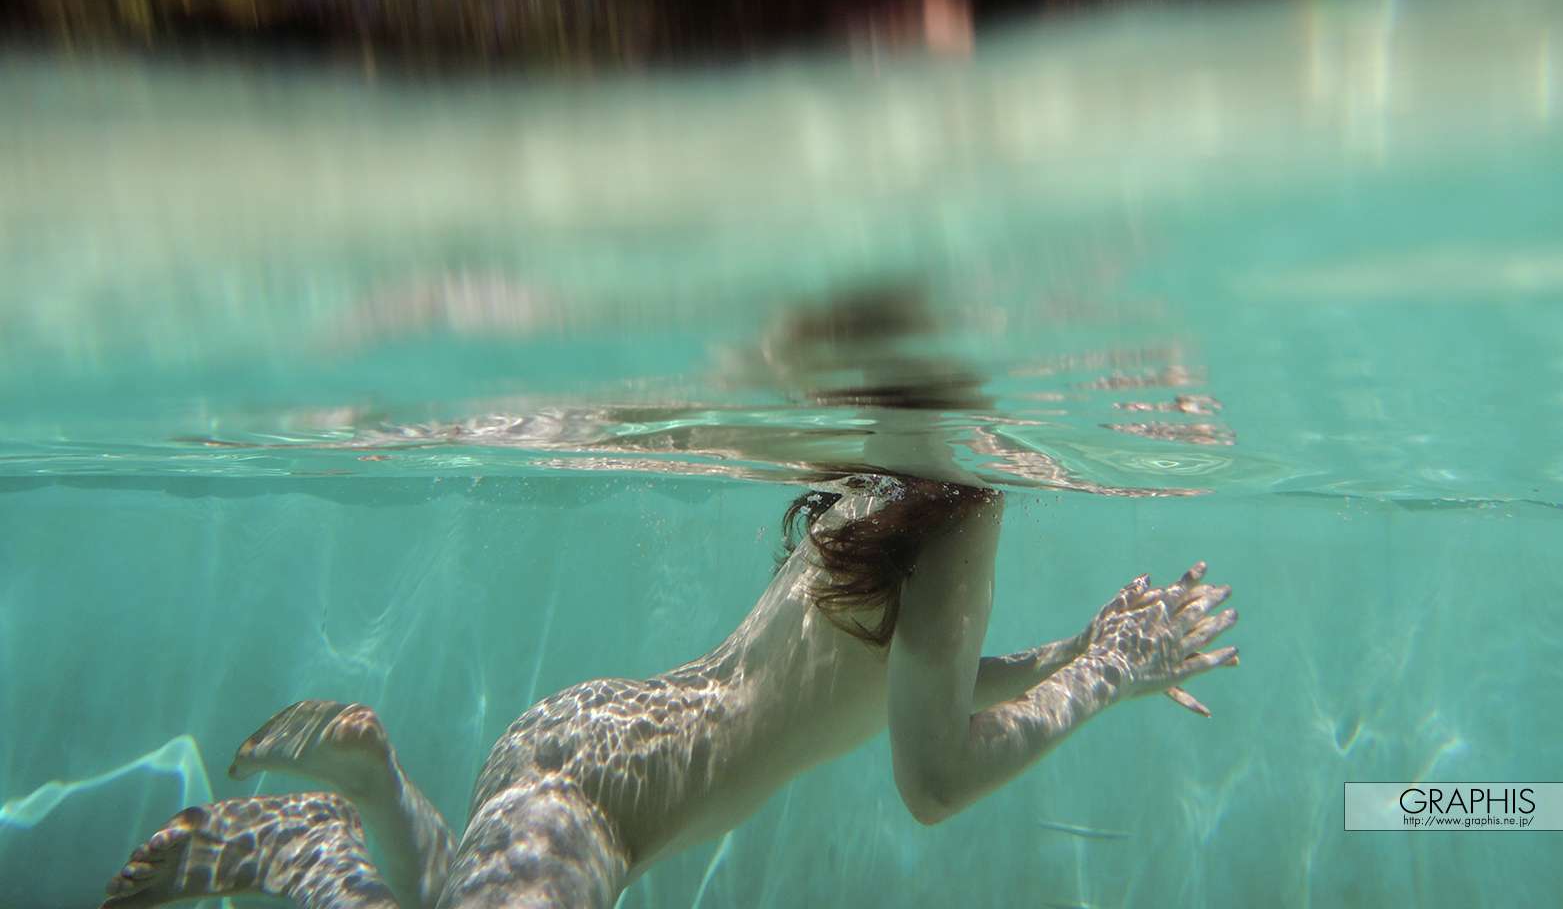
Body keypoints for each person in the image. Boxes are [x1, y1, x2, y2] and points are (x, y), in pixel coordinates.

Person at [102, 293, 1239, 909]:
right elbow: (932, 781)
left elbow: (905, 690)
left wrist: (1074, 653)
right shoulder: (959, 511)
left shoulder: (887, 496)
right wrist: (1110, 675)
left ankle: (364, 815)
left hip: (596, 742)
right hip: (613, 795)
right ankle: (322, 840)